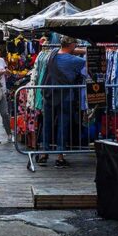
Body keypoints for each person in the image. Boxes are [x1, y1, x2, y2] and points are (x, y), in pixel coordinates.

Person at [41, 36, 89, 167]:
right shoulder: (76, 61)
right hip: (65, 96)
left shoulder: (52, 54)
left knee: (47, 124)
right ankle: (60, 157)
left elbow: (67, 51)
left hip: (49, 94)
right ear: (72, 45)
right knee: (63, 125)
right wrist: (85, 51)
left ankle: (44, 153)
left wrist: (77, 49)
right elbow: (85, 69)